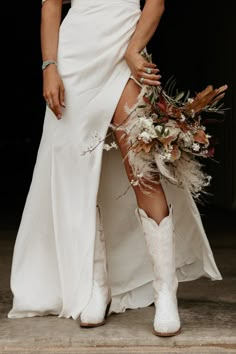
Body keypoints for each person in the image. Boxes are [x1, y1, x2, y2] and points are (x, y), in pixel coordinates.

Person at [8, 0, 222, 337]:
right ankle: (97, 287)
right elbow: (50, 4)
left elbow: (156, 3)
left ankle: (165, 293)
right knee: (79, 171)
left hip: (125, 54)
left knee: (143, 166)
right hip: (75, 60)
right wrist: (50, 66)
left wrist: (133, 49)